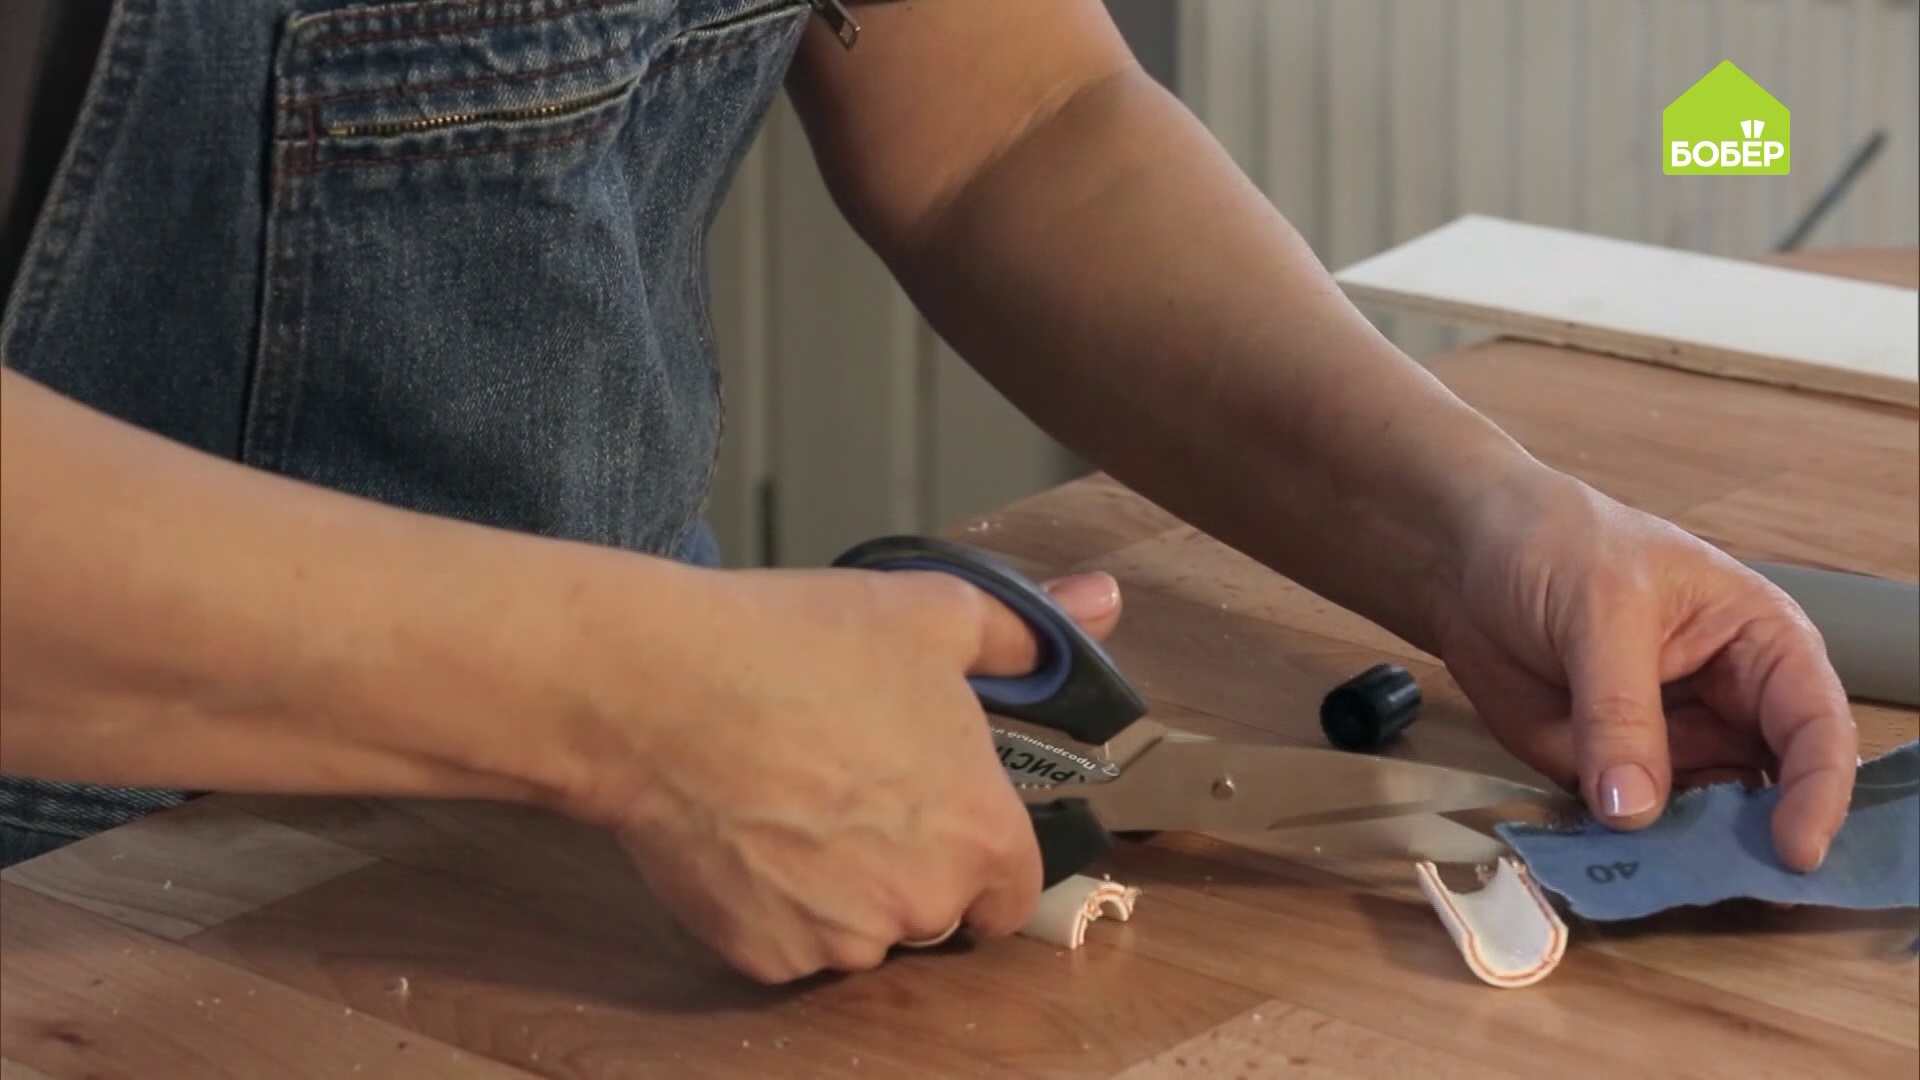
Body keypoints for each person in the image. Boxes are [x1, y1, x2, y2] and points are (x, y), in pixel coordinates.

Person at [0, 1, 1855, 984]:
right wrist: (630, 703)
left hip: (671, 850)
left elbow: (1010, 118)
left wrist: (1479, 522)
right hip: (86, 913)